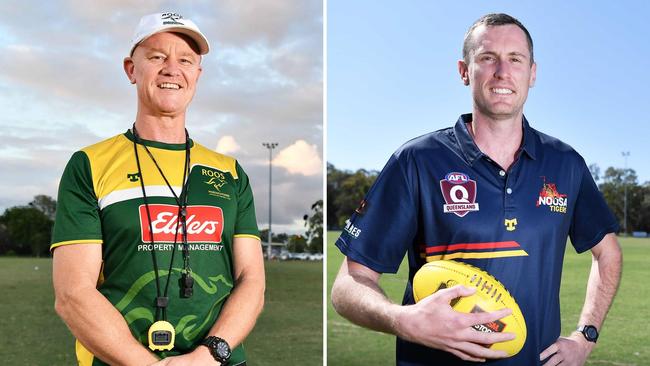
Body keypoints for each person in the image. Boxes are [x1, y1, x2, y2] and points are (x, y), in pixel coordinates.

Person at [331, 13, 622, 366]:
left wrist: (585, 336)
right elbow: (348, 284)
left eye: (516, 59)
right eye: (487, 58)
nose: (503, 71)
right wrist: (403, 320)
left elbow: (608, 254)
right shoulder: (417, 161)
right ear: (464, 71)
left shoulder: (566, 164)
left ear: (532, 73)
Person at [51, 12, 264, 366]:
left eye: (186, 60)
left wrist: (208, 356)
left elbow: (252, 279)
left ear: (198, 74)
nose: (172, 69)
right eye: (156, 57)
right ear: (131, 70)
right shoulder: (89, 164)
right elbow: (73, 293)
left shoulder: (229, 172)